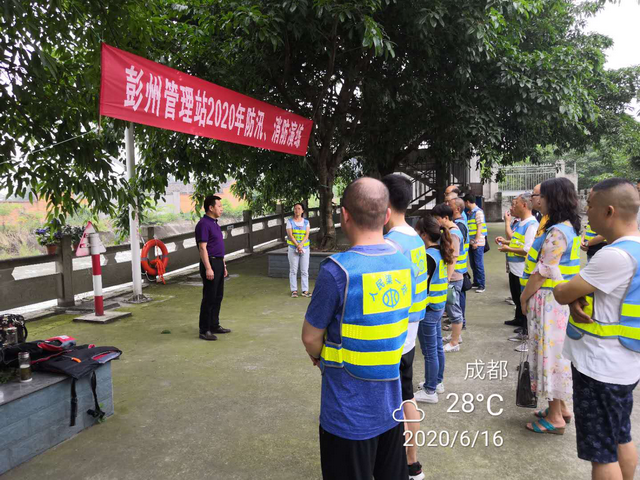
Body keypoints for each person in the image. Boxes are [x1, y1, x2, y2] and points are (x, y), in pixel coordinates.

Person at [301, 177, 412, 480]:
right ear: (386, 215)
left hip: (346, 414)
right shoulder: (403, 264)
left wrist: (321, 357)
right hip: (390, 407)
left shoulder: (337, 271)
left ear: (344, 215)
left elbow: (310, 337)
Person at [554, 178, 640, 480]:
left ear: (609, 211)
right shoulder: (635, 250)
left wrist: (570, 293)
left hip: (600, 367)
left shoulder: (613, 256)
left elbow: (562, 292)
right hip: (626, 364)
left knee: (602, 455)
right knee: (621, 436)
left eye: (590, 204)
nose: (585, 210)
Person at [519, 177, 581, 434]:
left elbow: (542, 271)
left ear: (553, 199)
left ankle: (555, 417)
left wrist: (523, 297)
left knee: (550, 355)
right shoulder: (565, 228)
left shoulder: (557, 232)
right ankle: (560, 408)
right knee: (555, 354)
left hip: (549, 302)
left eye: (542, 196)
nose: (539, 200)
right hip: (554, 301)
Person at [381, 174, 428, 480]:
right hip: (411, 331)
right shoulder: (414, 238)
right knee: (406, 394)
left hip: (395, 334)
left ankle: (402, 463)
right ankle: (412, 462)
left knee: (393, 398)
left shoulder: (391, 245)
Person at [413, 214, 453, 404]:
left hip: (428, 309)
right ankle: (437, 382)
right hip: (438, 307)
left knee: (429, 352)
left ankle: (429, 391)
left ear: (423, 235)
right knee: (436, 348)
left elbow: (421, 284)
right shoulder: (440, 252)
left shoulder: (428, 256)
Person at [495, 193, 538, 348]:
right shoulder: (520, 223)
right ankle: (519, 320)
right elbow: (518, 241)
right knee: (516, 296)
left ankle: (525, 332)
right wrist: (506, 242)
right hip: (515, 267)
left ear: (524, 205)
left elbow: (527, 249)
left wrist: (508, 248)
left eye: (515, 204)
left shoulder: (531, 224)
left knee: (523, 298)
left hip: (522, 268)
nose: (512, 207)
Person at [195, 195, 231, 341]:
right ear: (210, 208)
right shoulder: (203, 224)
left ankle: (214, 324)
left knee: (218, 296)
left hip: (218, 262)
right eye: (219, 206)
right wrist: (208, 268)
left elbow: (217, 246)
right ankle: (204, 330)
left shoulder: (215, 223)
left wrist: (223, 265)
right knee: (209, 297)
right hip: (210, 263)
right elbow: (202, 248)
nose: (222, 209)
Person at [432, 203, 464, 352]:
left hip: (454, 278)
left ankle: (455, 342)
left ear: (445, 218)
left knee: (454, 310)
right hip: (453, 277)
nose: (436, 221)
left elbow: (453, 258)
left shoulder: (454, 234)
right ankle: (455, 336)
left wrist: (447, 279)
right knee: (451, 308)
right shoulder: (449, 231)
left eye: (437, 218)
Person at [448, 197, 470, 329]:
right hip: (458, 268)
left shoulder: (458, 227)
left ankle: (460, 324)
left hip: (457, 269)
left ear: (457, 209)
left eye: (449, 204)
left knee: (456, 299)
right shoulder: (458, 223)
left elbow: (455, 251)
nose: (447, 206)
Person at [286, 203, 311, 298]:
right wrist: (297, 245)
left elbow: (307, 235)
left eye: (299, 208)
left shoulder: (306, 222)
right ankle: (294, 291)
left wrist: (301, 245)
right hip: (293, 248)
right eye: (295, 208)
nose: (297, 210)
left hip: (305, 248)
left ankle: (305, 291)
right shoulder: (290, 222)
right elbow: (290, 235)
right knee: (293, 270)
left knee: (304, 270)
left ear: (302, 211)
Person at [464, 194, 487, 293]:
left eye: (465, 203)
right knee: (473, 264)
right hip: (472, 241)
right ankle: (476, 282)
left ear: (467, 202)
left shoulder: (478, 212)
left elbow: (479, 228)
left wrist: (475, 242)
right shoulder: (471, 213)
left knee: (478, 264)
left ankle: (482, 284)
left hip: (478, 242)